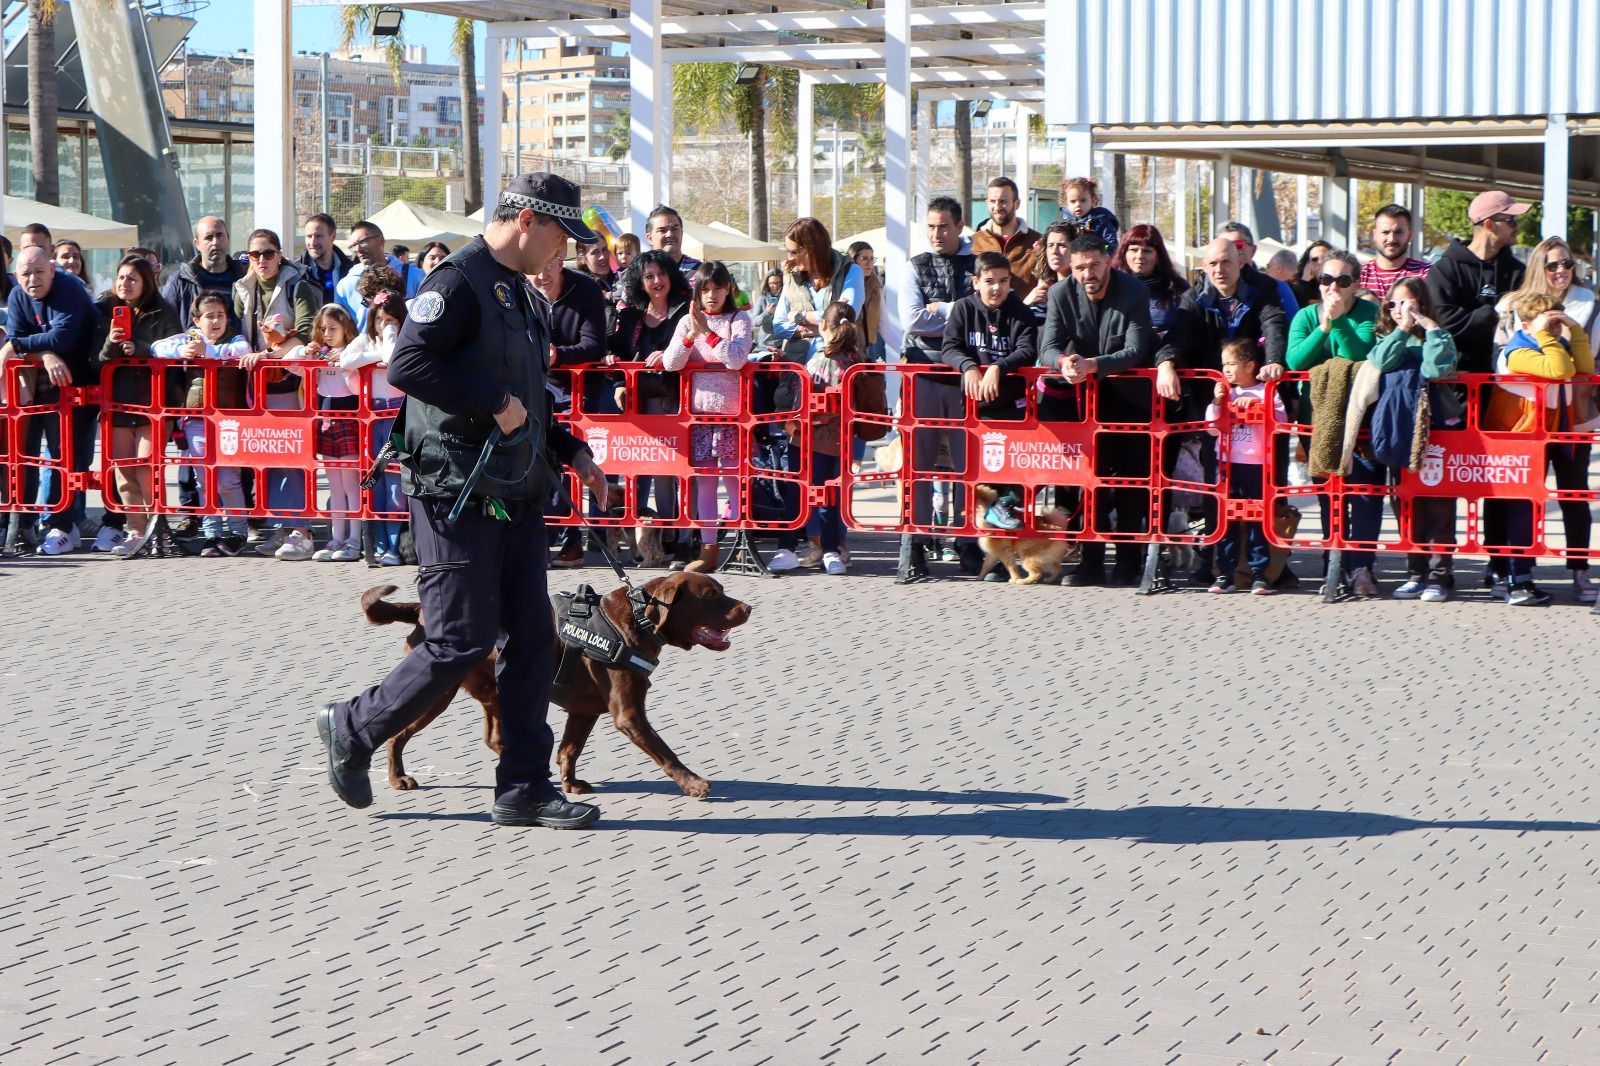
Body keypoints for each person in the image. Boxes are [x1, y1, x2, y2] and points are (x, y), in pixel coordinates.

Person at [316, 171, 610, 830]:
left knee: (535, 638)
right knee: (459, 638)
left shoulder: (521, 293)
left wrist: (571, 450)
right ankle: (352, 726)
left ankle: (524, 788)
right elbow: (408, 365)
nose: (564, 250)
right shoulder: (457, 281)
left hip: (516, 486)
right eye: (561, 234)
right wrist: (492, 404)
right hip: (456, 488)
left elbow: (526, 392)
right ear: (528, 221)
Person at [1157, 237, 1288, 582]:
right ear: (1204, 267)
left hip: (1260, 412)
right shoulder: (1193, 298)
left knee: (1269, 491)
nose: (1220, 269)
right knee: (1217, 489)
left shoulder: (1263, 289)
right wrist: (1167, 363)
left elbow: (1274, 324)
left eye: (1226, 262)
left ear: (1240, 260)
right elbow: (1177, 337)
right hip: (1214, 408)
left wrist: (1273, 362)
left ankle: (1270, 566)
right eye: (1213, 263)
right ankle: (1214, 562)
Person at [1041, 234, 1157, 585]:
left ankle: (1128, 563)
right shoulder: (1061, 293)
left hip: (1132, 401)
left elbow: (1137, 349)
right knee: (1090, 486)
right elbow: (1047, 345)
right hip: (1085, 406)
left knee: (1130, 487)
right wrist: (1063, 362)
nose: (1088, 273)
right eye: (1079, 268)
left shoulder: (1134, 290)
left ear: (1108, 261)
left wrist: (1093, 364)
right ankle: (1090, 562)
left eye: (1094, 265)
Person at [1494, 236, 1596, 603]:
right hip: (1525, 424)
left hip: (1574, 416)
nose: (1561, 271)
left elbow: (1579, 363)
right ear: (1539, 267)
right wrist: (1549, 336)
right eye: (1553, 264)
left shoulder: (1588, 303)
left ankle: (1579, 572)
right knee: (1520, 499)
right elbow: (1551, 365)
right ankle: (1514, 575)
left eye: (1567, 264)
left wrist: (1573, 333)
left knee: (1574, 494)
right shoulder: (1514, 308)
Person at [1285, 249, 1382, 596]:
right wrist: (1323, 326)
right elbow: (1295, 359)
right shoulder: (1306, 315)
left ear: (1356, 284)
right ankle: (1333, 563)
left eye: (1342, 281)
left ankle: (1361, 568)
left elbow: (1358, 353)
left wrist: (1339, 321)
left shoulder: (1370, 311)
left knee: (1365, 494)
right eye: (1326, 279)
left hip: (1363, 421)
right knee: (1329, 496)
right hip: (1318, 421)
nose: (1333, 288)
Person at [897, 196, 979, 577]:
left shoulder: (978, 262)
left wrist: (943, 310)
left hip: (966, 374)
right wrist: (961, 313)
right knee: (919, 464)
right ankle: (914, 542)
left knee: (967, 466)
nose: (936, 233)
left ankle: (967, 542)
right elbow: (913, 320)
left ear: (959, 226)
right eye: (930, 226)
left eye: (943, 226)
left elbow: (983, 312)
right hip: (923, 372)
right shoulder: (915, 265)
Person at [1368, 278, 1461, 603]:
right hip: (1399, 427)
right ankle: (1415, 572)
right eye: (1392, 304)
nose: (1398, 310)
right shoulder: (1386, 336)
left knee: (1439, 504)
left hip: (1435, 429)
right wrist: (1402, 330)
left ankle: (1440, 574)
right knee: (1404, 503)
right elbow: (1379, 361)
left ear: (1421, 303)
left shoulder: (1438, 335)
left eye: (1406, 303)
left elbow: (1437, 369)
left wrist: (1430, 330)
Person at [2, 246, 100, 554]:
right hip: (38, 385)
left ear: (53, 270)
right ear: (16, 274)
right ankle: (25, 526)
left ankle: (63, 524)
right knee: (26, 453)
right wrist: (43, 354)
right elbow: (27, 336)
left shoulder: (68, 288)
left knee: (66, 456)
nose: (32, 280)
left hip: (81, 383)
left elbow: (62, 337)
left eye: (39, 272)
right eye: (25, 273)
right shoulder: (19, 294)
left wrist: (16, 345)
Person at [234, 227, 322, 560]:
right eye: (254, 255)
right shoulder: (242, 288)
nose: (261, 260)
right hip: (257, 384)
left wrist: (270, 354)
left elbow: (308, 328)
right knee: (268, 458)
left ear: (280, 255)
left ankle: (302, 531)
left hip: (290, 382)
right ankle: (282, 529)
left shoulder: (297, 285)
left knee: (293, 458)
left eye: (268, 253)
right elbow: (239, 332)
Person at [661, 261, 753, 573]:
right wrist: (691, 335)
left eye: (717, 288)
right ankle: (708, 549)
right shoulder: (687, 321)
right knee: (706, 485)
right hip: (699, 417)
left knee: (734, 480)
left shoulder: (739, 319)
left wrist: (709, 335)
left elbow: (737, 359)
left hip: (733, 417)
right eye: (705, 289)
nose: (711, 295)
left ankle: (742, 544)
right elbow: (671, 363)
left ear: (729, 289)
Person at [151, 292, 252, 556]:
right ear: (197, 320)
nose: (216, 320)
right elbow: (156, 348)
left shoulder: (236, 339)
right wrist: (180, 350)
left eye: (220, 315)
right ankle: (211, 533)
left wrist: (211, 352)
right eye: (209, 316)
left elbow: (241, 352)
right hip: (196, 419)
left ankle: (237, 531)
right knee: (204, 481)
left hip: (230, 420)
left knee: (228, 480)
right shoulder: (188, 339)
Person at [94, 253, 182, 557]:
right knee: (123, 468)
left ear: (146, 282)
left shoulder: (163, 311)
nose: (125, 283)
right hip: (119, 402)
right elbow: (98, 359)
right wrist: (111, 342)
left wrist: (143, 349)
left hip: (154, 401)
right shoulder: (105, 309)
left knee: (146, 465)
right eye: (121, 277)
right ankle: (135, 529)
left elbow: (177, 349)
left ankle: (158, 526)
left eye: (132, 278)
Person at [530, 247, 609, 567]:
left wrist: (557, 355)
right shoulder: (520, 291)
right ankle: (552, 538)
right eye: (535, 268)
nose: (542, 275)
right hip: (539, 391)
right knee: (548, 470)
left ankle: (591, 539)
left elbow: (594, 344)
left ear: (561, 262)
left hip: (584, 391)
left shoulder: (586, 289)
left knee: (588, 467)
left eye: (549, 265)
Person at [609, 249, 691, 550]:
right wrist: (615, 369)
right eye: (649, 276)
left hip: (679, 399)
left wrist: (670, 355)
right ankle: (668, 535)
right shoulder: (631, 317)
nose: (657, 281)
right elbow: (616, 351)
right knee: (660, 472)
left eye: (661, 274)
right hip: (644, 401)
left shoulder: (685, 310)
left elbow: (692, 349)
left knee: (684, 472)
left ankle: (687, 535)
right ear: (640, 282)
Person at [1205, 337, 1287, 594]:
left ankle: (1259, 573)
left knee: (1258, 519)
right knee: (1226, 519)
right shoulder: (1224, 391)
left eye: (1231, 364)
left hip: (1257, 463)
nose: (1226, 370)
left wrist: (1256, 406)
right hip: (1228, 463)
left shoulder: (1267, 390)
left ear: (1250, 366)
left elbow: (1281, 421)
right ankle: (1224, 573)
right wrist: (1218, 403)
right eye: (1223, 365)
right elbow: (1211, 428)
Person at [337, 296, 407, 567]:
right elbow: (346, 359)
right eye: (379, 319)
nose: (384, 325)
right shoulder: (366, 340)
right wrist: (375, 353)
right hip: (372, 417)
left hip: (397, 416)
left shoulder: (404, 339)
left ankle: (394, 545)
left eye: (391, 319)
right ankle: (378, 545)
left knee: (395, 486)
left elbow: (393, 358)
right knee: (374, 481)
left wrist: (390, 337)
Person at [1427, 189, 1528, 373]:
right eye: (1511, 220)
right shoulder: (1444, 270)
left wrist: (1472, 320)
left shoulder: (1518, 272)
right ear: (1489, 224)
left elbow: (1526, 320)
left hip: (1507, 381)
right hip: (1456, 383)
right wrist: (1496, 314)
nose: (1517, 226)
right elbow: (1446, 323)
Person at [301, 300, 369, 563]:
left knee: (352, 485)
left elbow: (355, 389)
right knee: (334, 485)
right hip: (327, 421)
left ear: (345, 328)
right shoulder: (320, 354)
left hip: (349, 421)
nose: (327, 334)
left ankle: (354, 540)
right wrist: (307, 355)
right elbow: (293, 367)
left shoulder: (353, 352)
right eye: (323, 329)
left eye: (332, 328)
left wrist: (345, 364)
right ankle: (336, 539)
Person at [773, 216, 863, 361]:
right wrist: (815, 330)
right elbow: (778, 325)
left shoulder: (850, 271)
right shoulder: (790, 276)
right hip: (796, 373)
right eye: (788, 251)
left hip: (836, 369)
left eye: (794, 252)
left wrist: (799, 317)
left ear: (812, 249)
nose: (789, 258)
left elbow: (845, 315)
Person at [162, 215, 248, 335]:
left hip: (238, 351)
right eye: (208, 237)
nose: (215, 242)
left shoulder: (245, 279)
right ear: (197, 244)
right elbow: (165, 322)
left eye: (220, 235)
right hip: (193, 351)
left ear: (227, 238)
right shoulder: (180, 281)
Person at [336, 220, 423, 328]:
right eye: (354, 246)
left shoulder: (415, 276)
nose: (358, 249)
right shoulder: (345, 286)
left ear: (381, 240)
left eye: (363, 242)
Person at [1112, 223, 1189, 338]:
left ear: (1158, 256)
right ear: (1124, 254)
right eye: (1134, 250)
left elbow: (1191, 328)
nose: (1139, 256)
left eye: (1147, 251)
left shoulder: (1177, 288)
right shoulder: (1112, 286)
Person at [971, 176, 1042, 292]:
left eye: (1003, 201)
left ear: (1017, 204)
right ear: (987, 203)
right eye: (992, 201)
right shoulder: (974, 242)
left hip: (1026, 309)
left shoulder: (1037, 241)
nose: (997, 207)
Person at [1218, 222, 1297, 315]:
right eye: (1223, 247)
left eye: (1238, 245)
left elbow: (1292, 326)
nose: (1230, 253)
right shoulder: (1205, 292)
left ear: (1253, 250)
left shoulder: (1276, 288)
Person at [1359, 204, 1430, 297]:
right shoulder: (1360, 275)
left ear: (1410, 235)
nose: (1392, 239)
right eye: (1385, 232)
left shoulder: (1426, 274)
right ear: (1375, 235)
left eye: (1398, 232)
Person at [1022, 219, 1074, 325]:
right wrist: (1027, 303)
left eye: (1062, 245)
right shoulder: (1043, 287)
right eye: (1050, 245)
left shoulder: (1080, 287)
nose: (1054, 251)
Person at [299, 213, 353, 306]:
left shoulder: (351, 272)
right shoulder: (297, 274)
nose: (313, 242)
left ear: (333, 236)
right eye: (309, 236)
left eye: (318, 236)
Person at [846, 241, 884, 360]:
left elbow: (884, 323)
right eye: (864, 258)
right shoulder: (844, 285)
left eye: (872, 259)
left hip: (870, 347)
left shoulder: (875, 286)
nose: (870, 263)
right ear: (853, 260)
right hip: (849, 347)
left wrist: (902, 350)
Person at [1058, 176, 1119, 249]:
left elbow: (1111, 245)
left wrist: (1101, 250)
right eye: (1073, 201)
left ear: (1093, 200)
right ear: (1066, 202)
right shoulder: (1066, 223)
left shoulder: (1101, 220)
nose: (1078, 205)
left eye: (1083, 200)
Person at [645, 205, 701, 276]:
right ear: (650, 238)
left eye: (674, 229)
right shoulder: (639, 273)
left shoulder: (700, 272)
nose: (670, 234)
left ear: (682, 233)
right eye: (662, 230)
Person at [1292, 240, 1333, 309]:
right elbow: (1297, 309)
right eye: (1315, 259)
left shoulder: (1338, 282)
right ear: (1308, 264)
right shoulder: (1302, 286)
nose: (1320, 262)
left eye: (1325, 258)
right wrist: (1304, 281)